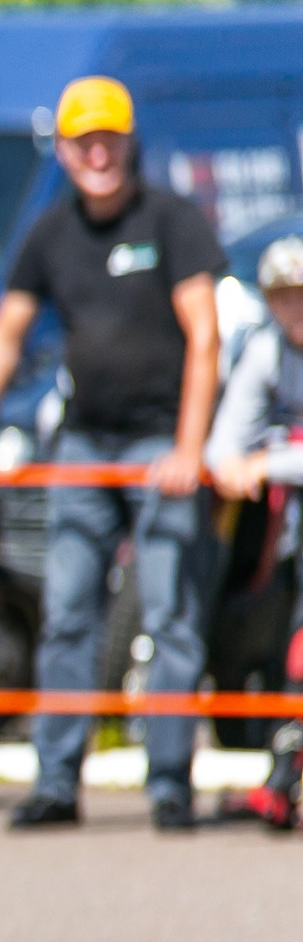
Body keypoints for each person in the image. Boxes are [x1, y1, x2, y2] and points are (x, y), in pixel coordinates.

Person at [0, 76, 225, 833]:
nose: (97, 152)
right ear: (62, 149)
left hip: (161, 446)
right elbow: (1, 338)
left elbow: (204, 338)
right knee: (67, 614)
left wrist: (190, 448)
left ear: (130, 142)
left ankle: (168, 784)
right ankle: (57, 780)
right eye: (83, 140)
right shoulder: (52, 234)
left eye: (110, 138)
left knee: (170, 614)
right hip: (86, 444)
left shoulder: (173, 219)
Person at [205, 235, 303, 827]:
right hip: (291, 536)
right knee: (285, 647)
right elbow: (222, 448)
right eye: (283, 296)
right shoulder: (266, 351)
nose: (295, 308)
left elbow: (250, 459)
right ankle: (284, 774)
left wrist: (267, 462)